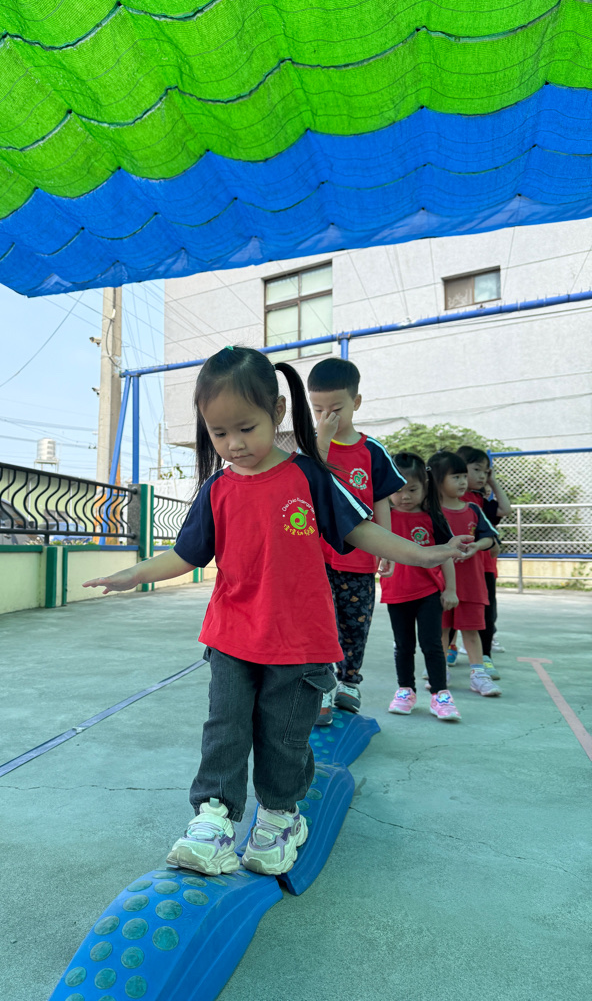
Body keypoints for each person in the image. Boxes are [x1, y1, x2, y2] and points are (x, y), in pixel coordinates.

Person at [84, 347, 476, 878]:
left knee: (283, 736)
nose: (234, 444)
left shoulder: (308, 476)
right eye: (219, 433)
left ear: (277, 411)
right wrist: (133, 573)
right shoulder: (217, 489)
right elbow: (186, 553)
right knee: (224, 729)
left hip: (298, 640)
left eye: (246, 428)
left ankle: (279, 817)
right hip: (231, 634)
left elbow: (359, 529)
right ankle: (213, 820)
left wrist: (423, 554)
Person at [307, 358, 406, 721]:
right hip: (317, 558)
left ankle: (349, 681)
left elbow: (381, 501)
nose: (326, 417)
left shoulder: (372, 451)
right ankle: (322, 687)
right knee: (318, 623)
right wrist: (320, 441)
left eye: (335, 409)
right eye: (318, 409)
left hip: (358, 560)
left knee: (355, 623)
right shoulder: (310, 448)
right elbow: (302, 489)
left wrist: (386, 548)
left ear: (356, 402)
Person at [379, 453, 461, 720]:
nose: (404, 496)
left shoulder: (433, 518)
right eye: (397, 490)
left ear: (425, 487)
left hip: (428, 593)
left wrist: (450, 589)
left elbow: (446, 555)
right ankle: (405, 691)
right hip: (395, 593)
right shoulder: (382, 520)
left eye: (412, 490)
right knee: (403, 646)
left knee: (432, 645)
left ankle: (440, 694)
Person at [428, 450, 502, 697]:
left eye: (463, 476)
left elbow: (490, 538)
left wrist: (476, 546)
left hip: (472, 584)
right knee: (441, 631)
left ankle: (478, 674)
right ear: (437, 480)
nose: (463, 481)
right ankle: (439, 672)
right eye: (455, 477)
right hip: (440, 585)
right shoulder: (430, 512)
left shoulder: (473, 509)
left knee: (471, 630)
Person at [458, 446, 512, 679]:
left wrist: (493, 482)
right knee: (449, 610)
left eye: (485, 472)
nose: (482, 476)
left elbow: (505, 509)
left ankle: (485, 656)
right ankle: (448, 649)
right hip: (456, 566)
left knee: (486, 613)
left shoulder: (479, 500)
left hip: (483, 567)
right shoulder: (449, 500)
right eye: (477, 470)